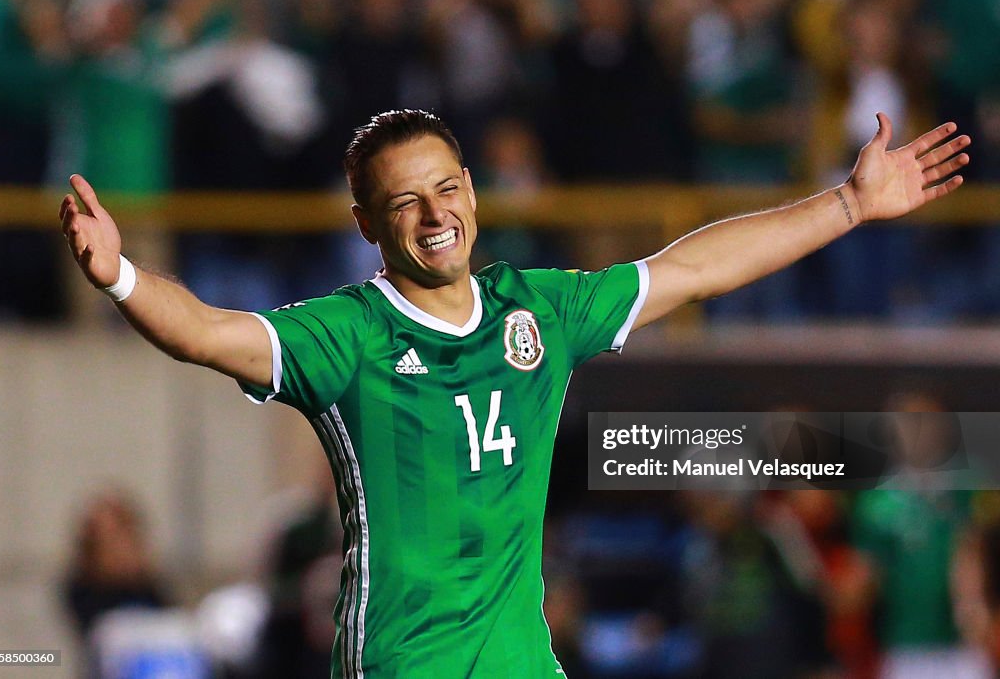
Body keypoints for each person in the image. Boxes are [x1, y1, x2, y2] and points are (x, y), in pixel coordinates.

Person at [59, 108, 969, 677]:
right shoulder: (346, 336)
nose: (434, 213)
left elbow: (690, 269)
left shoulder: (535, 310)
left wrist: (846, 205)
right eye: (405, 201)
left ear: (473, 196)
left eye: (447, 187)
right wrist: (121, 278)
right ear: (367, 225)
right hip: (402, 663)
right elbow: (209, 333)